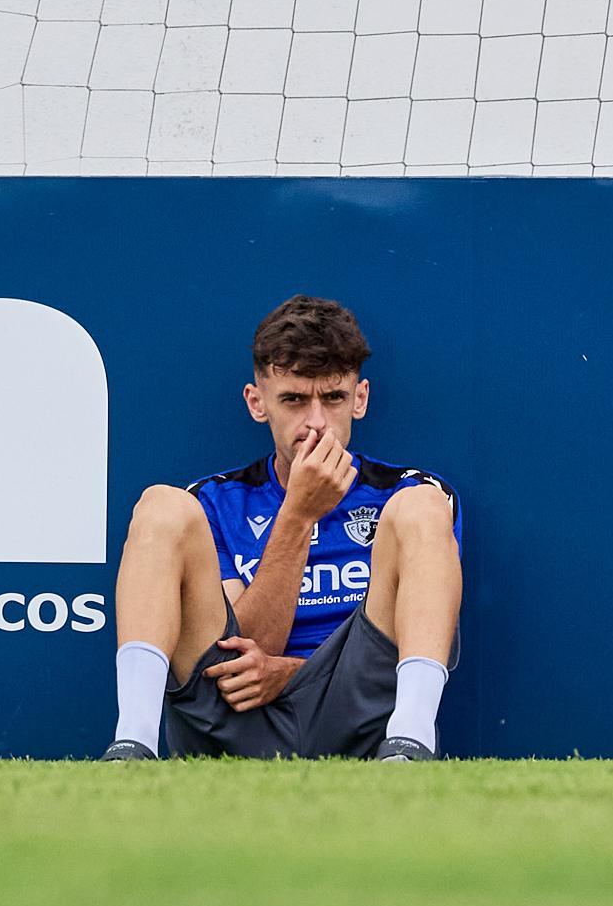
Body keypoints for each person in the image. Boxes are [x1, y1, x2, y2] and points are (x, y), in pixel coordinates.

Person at [98, 295, 463, 761]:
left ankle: (411, 745)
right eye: (293, 399)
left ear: (360, 399)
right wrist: (297, 515)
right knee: (161, 507)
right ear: (258, 402)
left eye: (333, 398)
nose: (315, 422)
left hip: (361, 713)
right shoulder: (213, 501)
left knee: (422, 508)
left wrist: (291, 671)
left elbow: (411, 635)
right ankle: (132, 747)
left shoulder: (409, 493)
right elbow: (243, 647)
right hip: (237, 709)